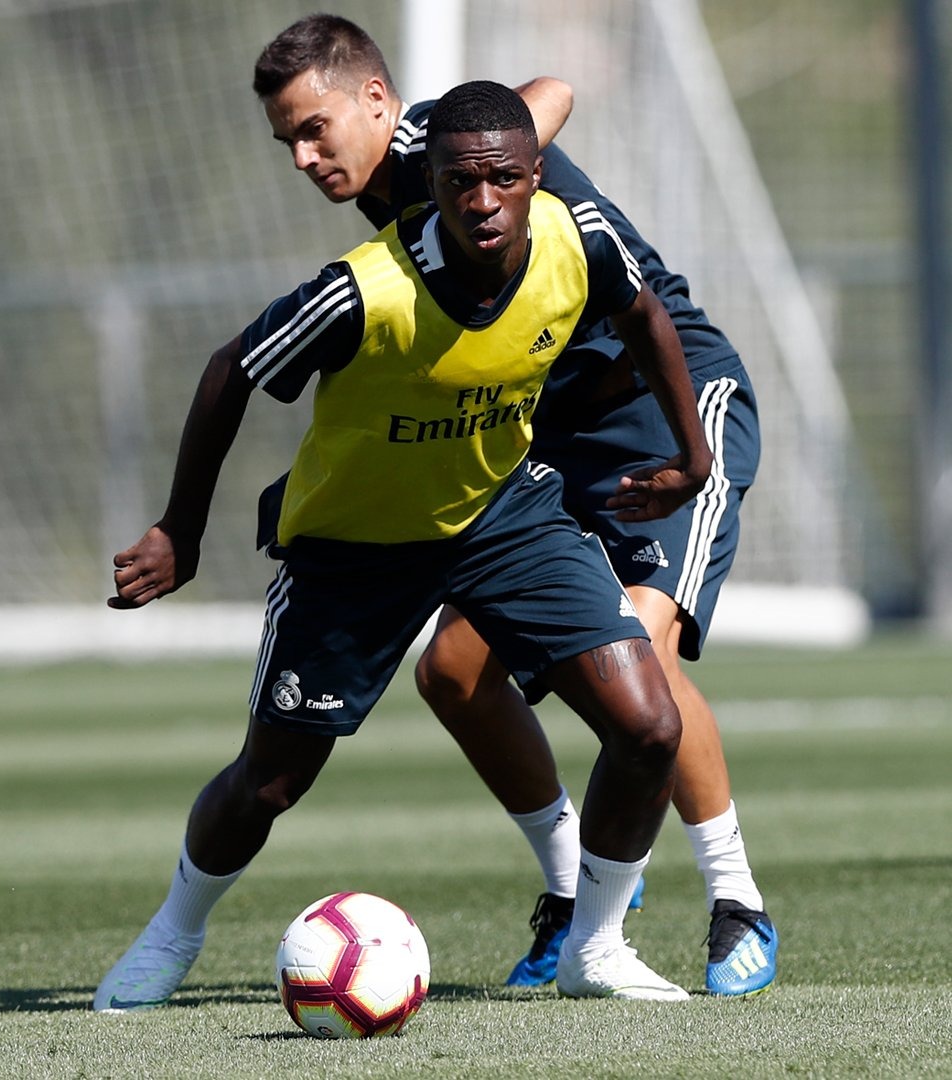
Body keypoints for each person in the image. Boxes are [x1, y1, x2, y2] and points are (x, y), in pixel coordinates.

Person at [93, 80, 714, 1012]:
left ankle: (597, 946)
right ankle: (172, 933)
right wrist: (180, 529)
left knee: (649, 727)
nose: (482, 201)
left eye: (504, 178)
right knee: (270, 782)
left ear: (534, 177)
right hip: (355, 547)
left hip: (503, 518)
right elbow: (231, 371)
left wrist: (691, 457)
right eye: (461, 181)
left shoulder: (576, 241)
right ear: (434, 181)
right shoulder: (363, 291)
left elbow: (646, 317)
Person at [251, 14, 778, 997]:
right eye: (287, 139)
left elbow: (548, 97)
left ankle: (736, 897)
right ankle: (574, 890)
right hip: (554, 433)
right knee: (451, 674)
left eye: (315, 127)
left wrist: (523, 131)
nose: (303, 154)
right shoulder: (400, 207)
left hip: (663, 409)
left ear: (378, 102)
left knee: (639, 652)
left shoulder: (441, 153)